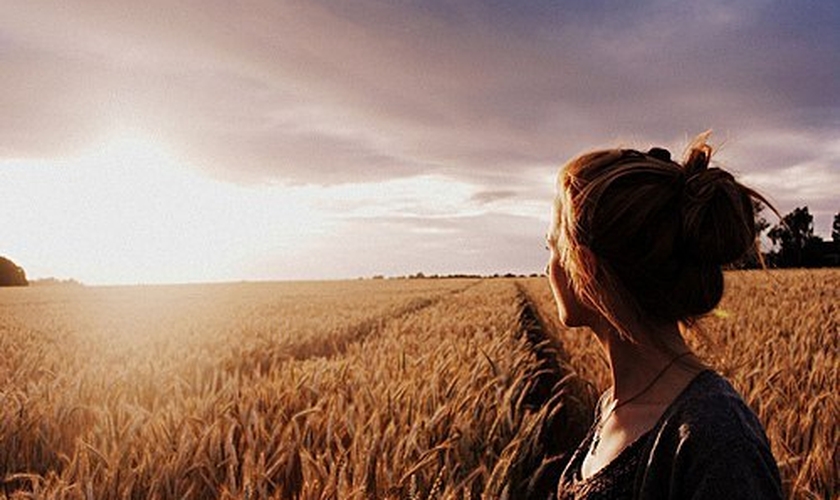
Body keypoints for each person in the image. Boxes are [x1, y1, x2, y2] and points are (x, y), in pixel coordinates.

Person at [546, 133, 783, 499]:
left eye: (552, 248)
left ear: (586, 270)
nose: (548, 267)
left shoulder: (715, 437)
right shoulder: (614, 404)